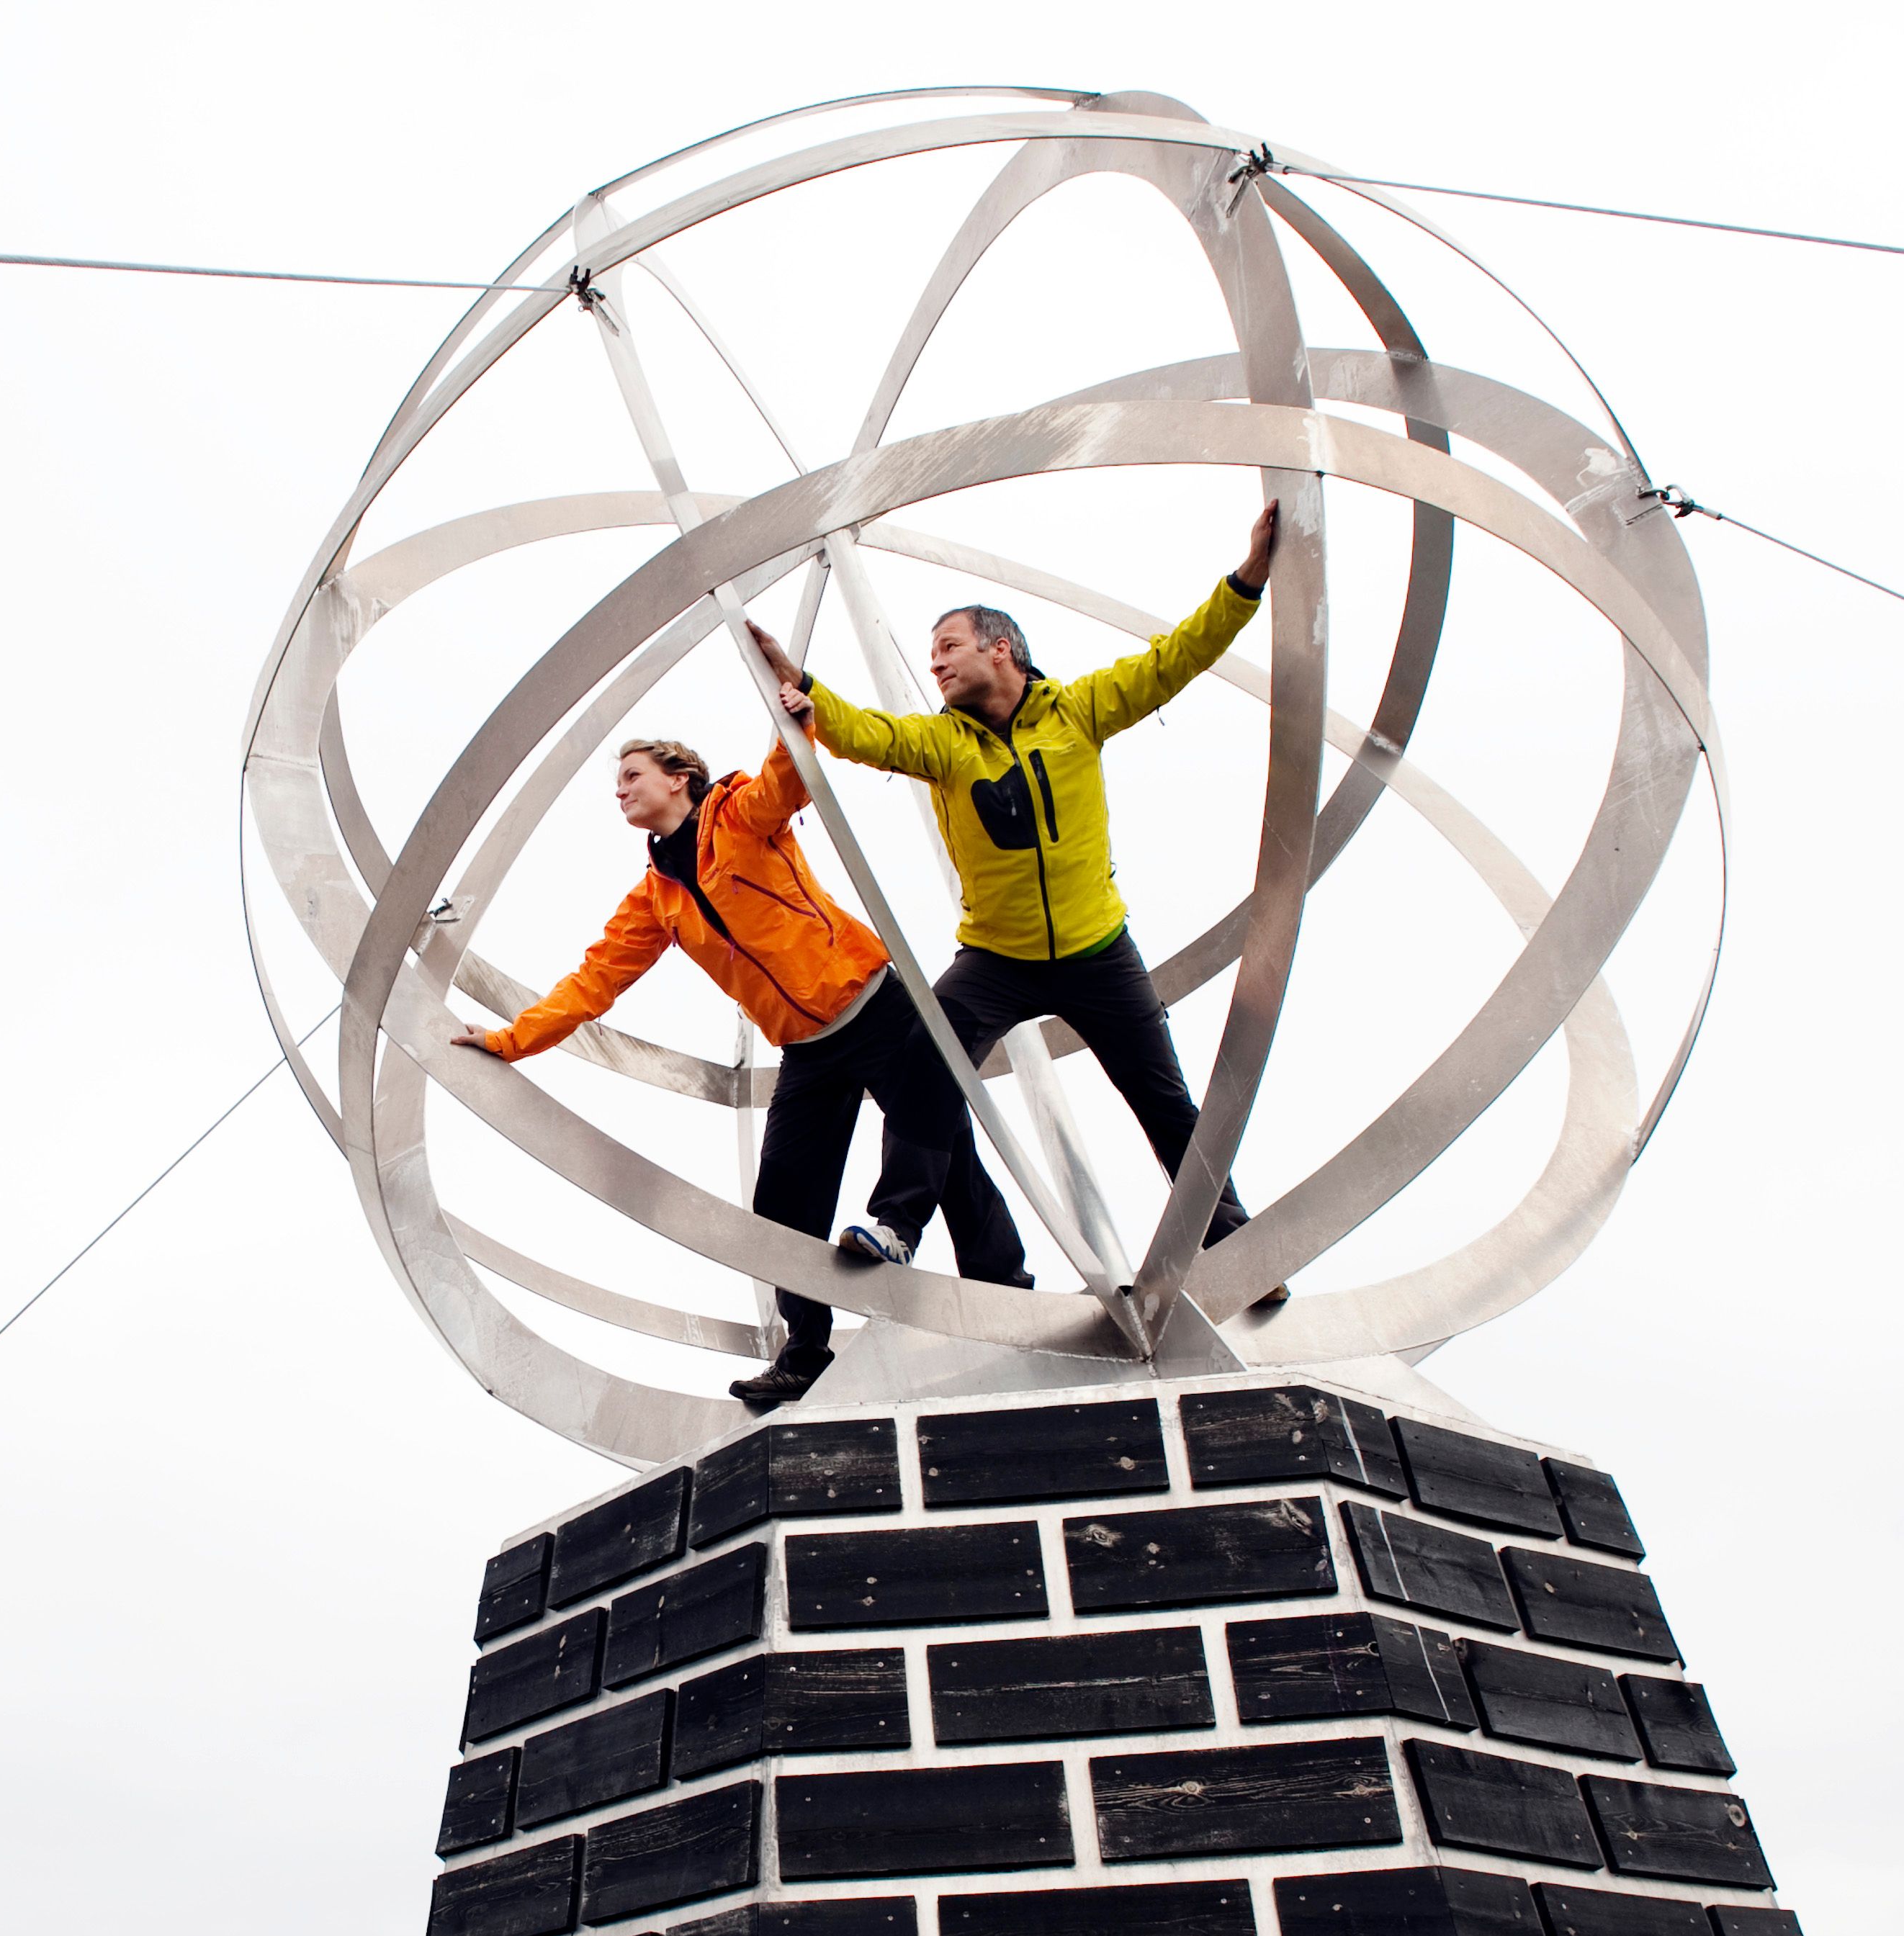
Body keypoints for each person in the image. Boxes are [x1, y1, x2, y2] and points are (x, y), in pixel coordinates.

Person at [749, 500, 1290, 1309]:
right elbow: (872, 735)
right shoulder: (943, 743)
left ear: (1000, 648)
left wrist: (1246, 578)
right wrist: (808, 692)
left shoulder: (1078, 710)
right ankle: (897, 1223)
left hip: (1095, 950)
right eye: (930, 654)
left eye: (948, 647)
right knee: (925, 1064)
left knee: (1163, 1098)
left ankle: (1229, 1240)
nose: (934, 664)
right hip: (995, 957)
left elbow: (1174, 659)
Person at [452, 732, 991, 1412]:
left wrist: (794, 700)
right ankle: (806, 1352)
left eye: (632, 773)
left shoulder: (738, 815)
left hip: (874, 1004)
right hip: (808, 1046)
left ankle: (1004, 1296)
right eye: (617, 779)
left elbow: (788, 773)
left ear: (680, 777)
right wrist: (509, 1039)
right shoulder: (657, 898)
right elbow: (593, 982)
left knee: (947, 1159)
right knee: (782, 1203)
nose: (619, 788)